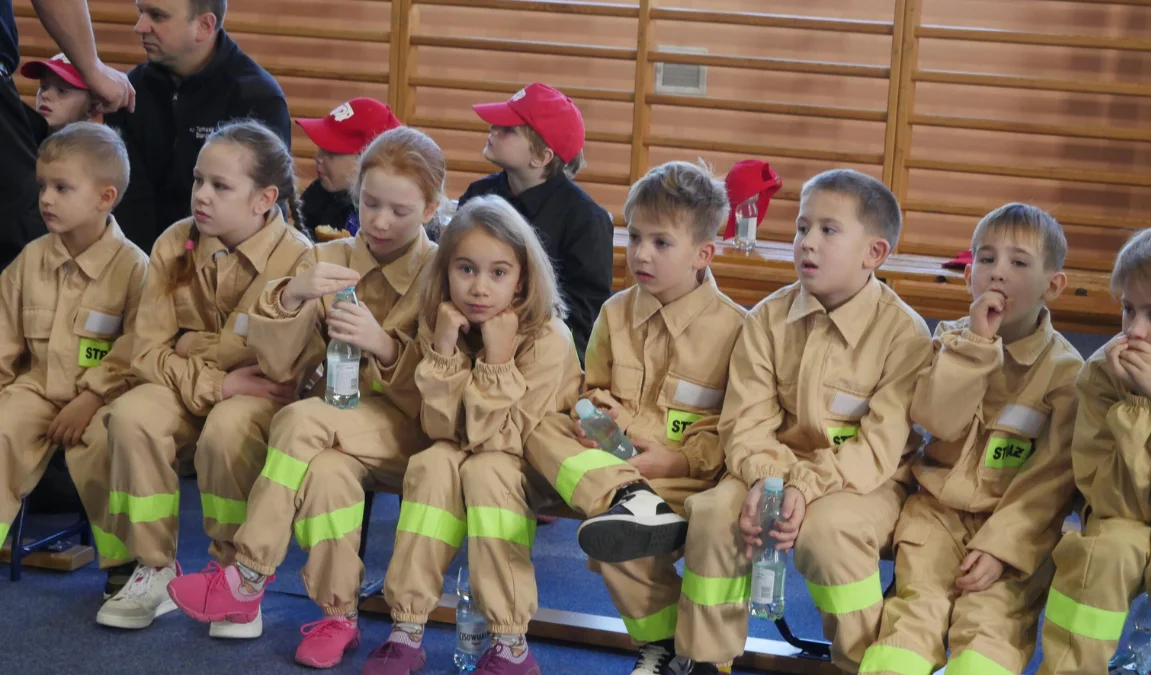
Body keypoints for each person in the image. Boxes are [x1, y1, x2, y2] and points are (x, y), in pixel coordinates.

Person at [165, 126, 445, 668]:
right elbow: (278, 365)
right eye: (370, 203)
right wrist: (292, 295)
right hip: (332, 424)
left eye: (400, 211)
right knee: (327, 471)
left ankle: (247, 576)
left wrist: (384, 345)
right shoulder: (327, 256)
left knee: (299, 422)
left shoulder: (440, 273)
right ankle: (338, 615)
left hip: (408, 427)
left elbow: (443, 390)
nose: (381, 222)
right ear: (355, 194)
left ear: (431, 207)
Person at [675, 169, 932, 674]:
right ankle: (706, 660)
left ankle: (858, 662)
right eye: (801, 228)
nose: (806, 243)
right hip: (768, 470)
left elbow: (879, 449)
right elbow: (744, 425)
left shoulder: (905, 336)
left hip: (864, 483)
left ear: (874, 254)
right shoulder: (767, 319)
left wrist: (803, 489)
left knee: (829, 531)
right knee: (714, 515)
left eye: (828, 231)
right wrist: (770, 484)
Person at [91, 120, 310, 633]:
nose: (202, 196)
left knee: (229, 427)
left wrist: (192, 346)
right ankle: (154, 565)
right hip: (204, 388)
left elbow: (278, 369)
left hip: (263, 400)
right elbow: (145, 353)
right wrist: (222, 376)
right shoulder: (174, 242)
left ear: (264, 199)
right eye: (198, 180)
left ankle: (233, 577)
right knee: (130, 414)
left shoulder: (299, 257)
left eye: (220, 186)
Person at [358, 194, 579, 675]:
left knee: (486, 470)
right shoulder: (442, 322)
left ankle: (510, 643)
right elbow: (436, 428)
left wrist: (497, 360)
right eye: (466, 269)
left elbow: (504, 439)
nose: (479, 288)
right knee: (433, 462)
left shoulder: (548, 338)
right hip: (461, 450)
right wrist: (442, 351)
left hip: (527, 462)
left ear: (522, 278)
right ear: (446, 271)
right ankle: (407, 625)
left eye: (498, 273)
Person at [860, 204, 1083, 675]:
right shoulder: (950, 343)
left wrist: (1003, 548)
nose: (997, 274)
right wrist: (977, 348)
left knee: (992, 629)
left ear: (1053, 286)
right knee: (911, 616)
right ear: (968, 276)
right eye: (985, 259)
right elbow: (937, 422)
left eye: (1019, 263)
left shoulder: (1066, 374)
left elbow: (1050, 482)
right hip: (934, 515)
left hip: (1013, 528)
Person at [569, 161, 747, 675]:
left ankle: (702, 656)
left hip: (691, 478)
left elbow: (734, 424)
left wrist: (677, 459)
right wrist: (601, 417)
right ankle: (664, 644)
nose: (641, 253)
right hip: (619, 468)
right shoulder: (614, 312)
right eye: (635, 236)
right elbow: (593, 388)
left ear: (703, 254)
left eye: (662, 243)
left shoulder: (738, 330)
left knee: (649, 529)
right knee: (609, 523)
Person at [1037, 221, 1151, 674]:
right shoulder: (1102, 375)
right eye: (1129, 310)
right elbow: (1112, 502)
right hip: (1119, 518)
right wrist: (1135, 404)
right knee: (1106, 549)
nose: (1135, 331)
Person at [0, 123, 146, 555]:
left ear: (105, 198)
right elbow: (4, 337)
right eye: (43, 185)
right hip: (38, 390)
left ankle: (122, 562)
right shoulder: (30, 259)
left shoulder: (135, 268)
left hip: (103, 400)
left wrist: (92, 397)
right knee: (3, 429)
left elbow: (138, 348)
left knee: (110, 446)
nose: (46, 198)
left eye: (62, 187)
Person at [106, 0, 291, 254]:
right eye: (141, 12)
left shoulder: (257, 98)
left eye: (157, 16)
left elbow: (266, 212)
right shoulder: (130, 90)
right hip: (143, 263)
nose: (140, 26)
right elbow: (129, 201)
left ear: (205, 26)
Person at [458, 82, 612, 361]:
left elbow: (583, 325)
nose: (492, 129)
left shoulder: (586, 220)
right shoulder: (477, 195)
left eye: (508, 129)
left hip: (539, 361)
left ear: (542, 156)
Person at [0, 0, 134, 270]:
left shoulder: (105, 161)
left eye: (63, 91)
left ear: (93, 107)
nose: (47, 95)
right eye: (44, 87)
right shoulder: (21, 139)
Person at [295, 97, 401, 242]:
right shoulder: (318, 195)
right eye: (321, 149)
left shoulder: (393, 221)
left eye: (331, 152)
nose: (318, 157)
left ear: (366, 161)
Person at [20, 53, 92, 134]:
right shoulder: (20, 137)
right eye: (43, 87)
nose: (44, 95)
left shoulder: (99, 146)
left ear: (91, 107)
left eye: (62, 90)